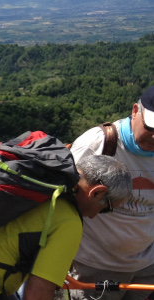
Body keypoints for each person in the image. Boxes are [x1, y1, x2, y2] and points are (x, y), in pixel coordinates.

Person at [0, 154, 133, 300]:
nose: (98, 216)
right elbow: (38, 294)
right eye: (107, 209)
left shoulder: (38, 178)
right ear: (97, 192)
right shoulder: (68, 221)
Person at [67, 86, 154, 300]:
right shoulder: (99, 143)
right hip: (96, 267)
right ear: (135, 111)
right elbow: (64, 199)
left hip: (147, 267)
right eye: (151, 126)